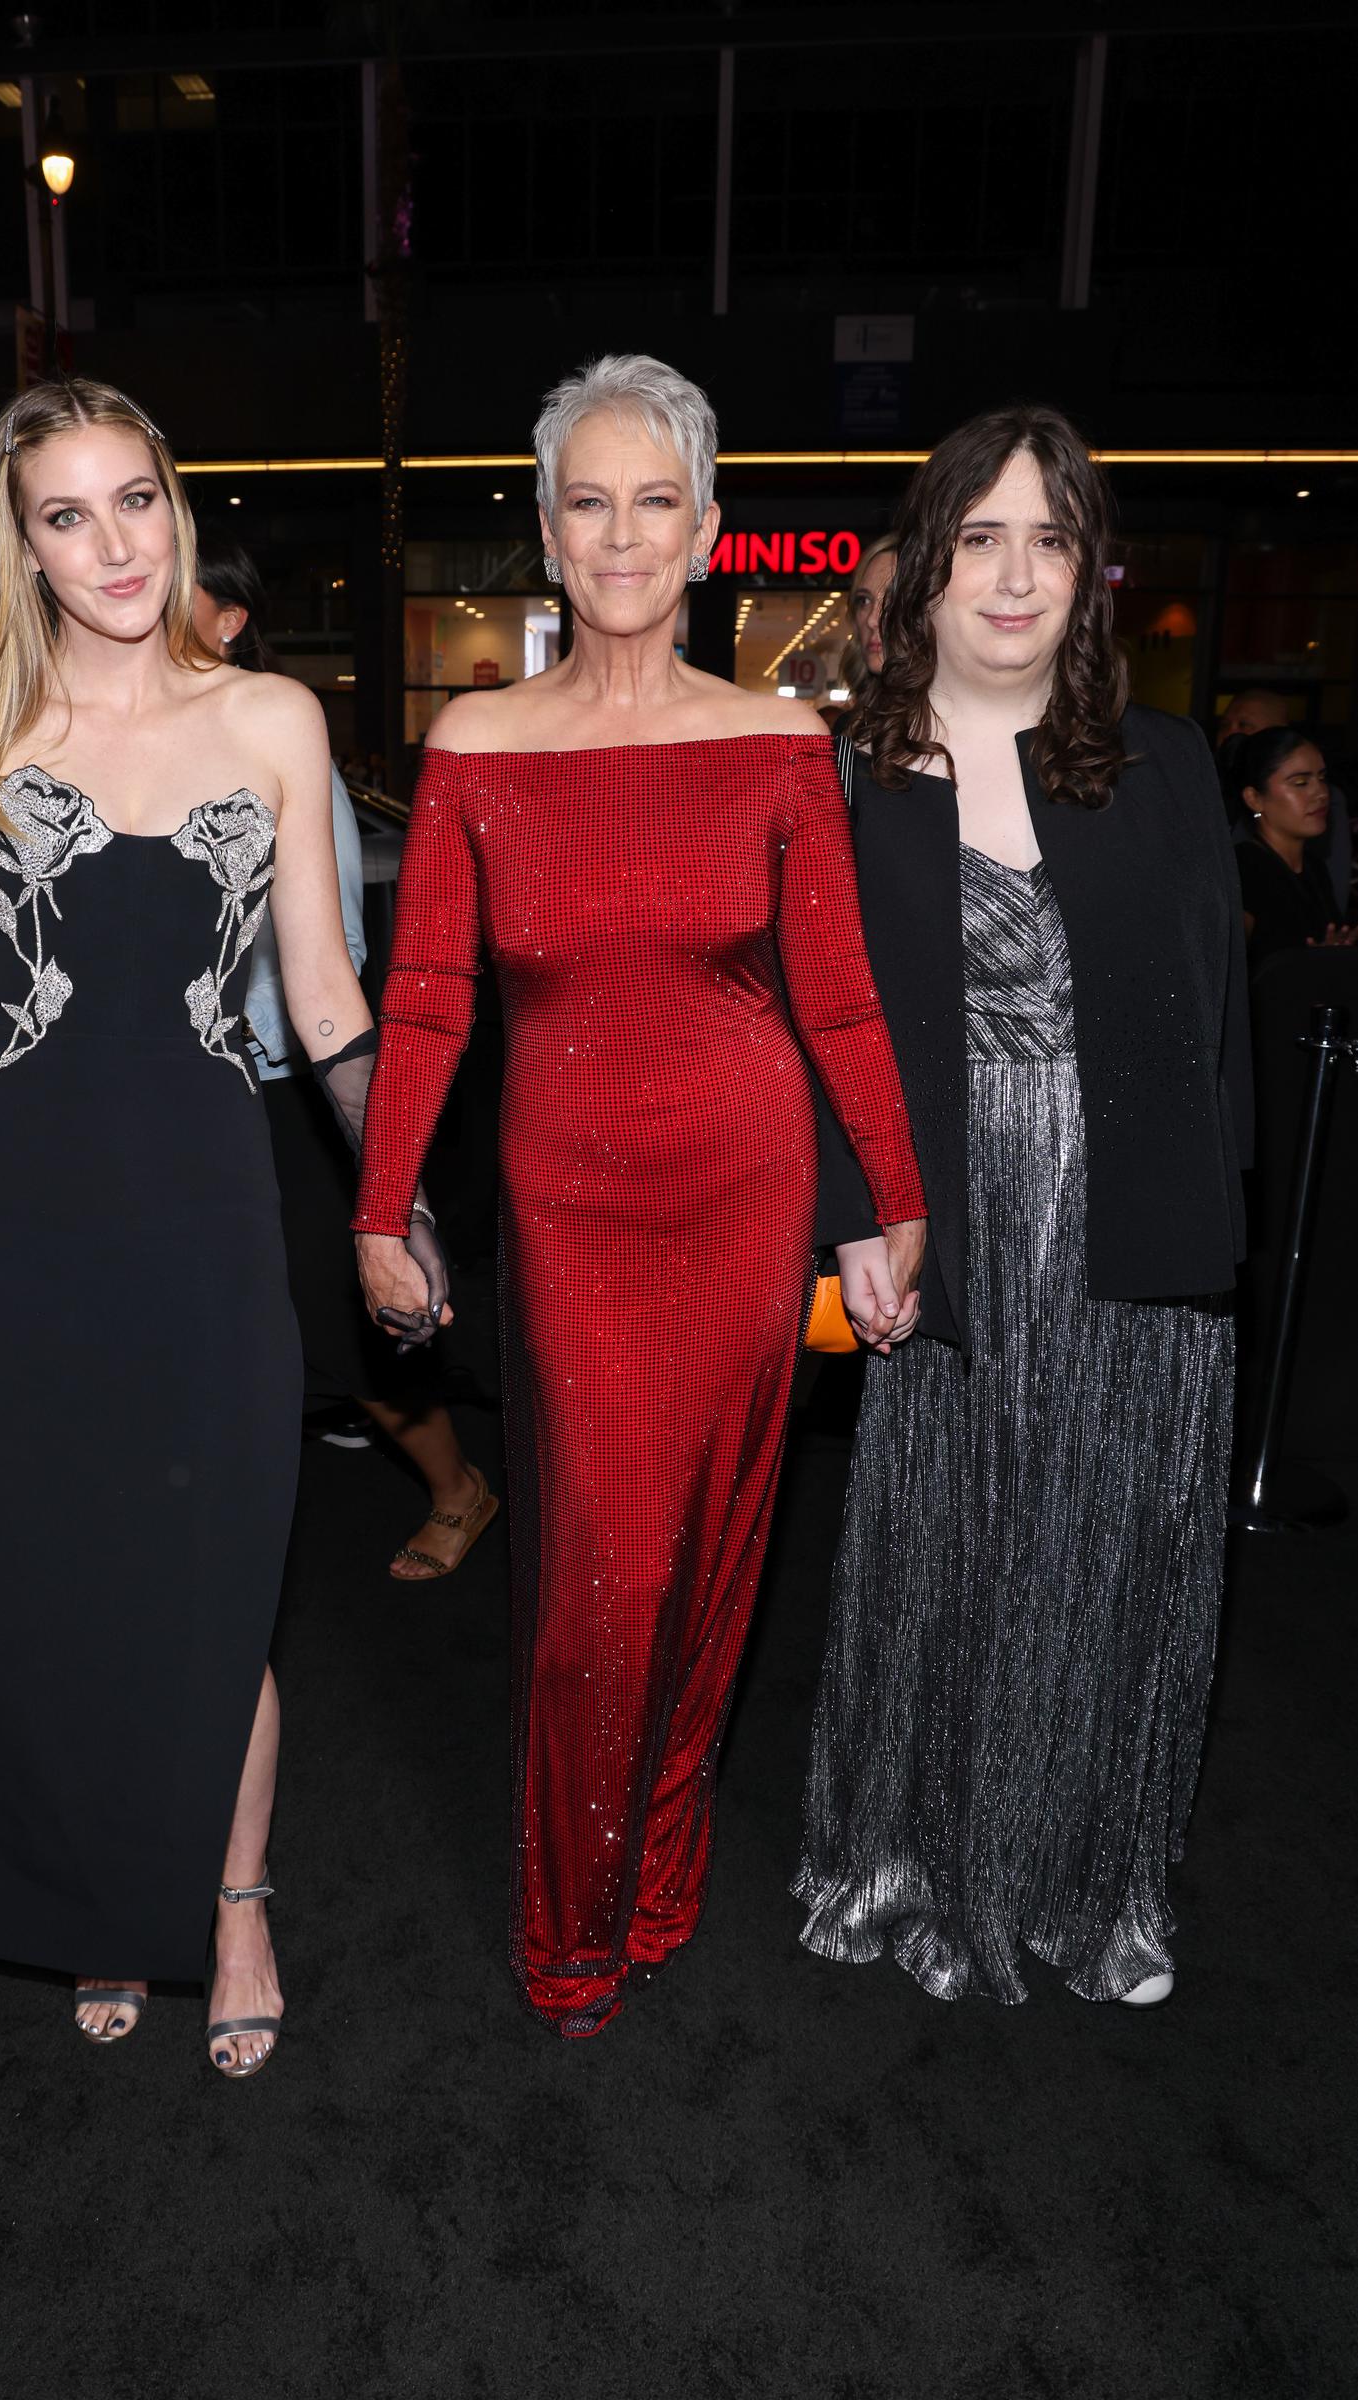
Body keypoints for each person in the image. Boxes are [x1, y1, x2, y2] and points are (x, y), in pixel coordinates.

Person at [350, 353, 926, 2038]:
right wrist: (382, 1204)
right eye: (586, 501)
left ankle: (660, 1869)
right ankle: (569, 1915)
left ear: (706, 532)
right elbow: (432, 1001)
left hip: (740, 1198)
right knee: (594, 1581)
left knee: (716, 1564)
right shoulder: (477, 742)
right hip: (568, 1216)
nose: (618, 534)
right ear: (546, 529)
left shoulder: (771, 744)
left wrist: (891, 1194)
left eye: (652, 500)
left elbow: (837, 1002)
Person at [0, 377, 441, 2078]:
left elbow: (331, 1004)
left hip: (202, 1226)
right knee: (44, 1596)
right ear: (23, 540)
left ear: (171, 507)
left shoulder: (272, 720)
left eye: (135, 501)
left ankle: (237, 1894)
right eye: (68, 514)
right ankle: (100, 1905)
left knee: (215, 1582)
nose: (112, 544)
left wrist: (398, 1190)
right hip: (12, 1220)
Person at [793, 404, 1251, 2010]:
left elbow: (1215, 1023)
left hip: (1129, 1218)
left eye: (1047, 539)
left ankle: (1086, 1881)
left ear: (1086, 574)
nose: (1012, 575)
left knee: (1114, 1550)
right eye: (977, 538)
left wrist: (1215, 1235)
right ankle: (917, 1860)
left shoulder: (1171, 765)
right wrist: (852, 1214)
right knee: (953, 1543)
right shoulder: (848, 779)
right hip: (948, 1224)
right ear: (923, 571)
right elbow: (810, 1024)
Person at [194, 539, 500, 1580]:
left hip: (286, 1089)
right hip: (185, 1096)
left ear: (230, 618)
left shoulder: (276, 728)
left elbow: (336, 954)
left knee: (348, 1319)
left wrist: (247, 1033)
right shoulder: (134, 733)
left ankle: (459, 1490)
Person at [1232, 726, 1358, 967]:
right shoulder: (1245, 869)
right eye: (1300, 782)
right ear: (1254, 798)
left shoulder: (1314, 866)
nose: (1320, 793)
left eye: (1322, 777)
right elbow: (1225, 971)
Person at [841, 532, 898, 704]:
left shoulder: (967, 724)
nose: (872, 620)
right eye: (864, 601)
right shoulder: (851, 726)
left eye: (892, 600)